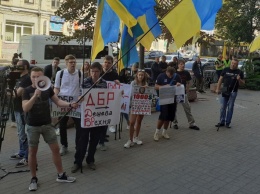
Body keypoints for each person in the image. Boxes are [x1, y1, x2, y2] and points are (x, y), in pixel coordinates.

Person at [22, 67, 76, 191]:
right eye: (33, 76)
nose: (36, 79)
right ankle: (33, 178)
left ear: (43, 77)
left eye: (38, 76)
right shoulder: (27, 90)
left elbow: (57, 101)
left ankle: (61, 175)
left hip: (47, 124)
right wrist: (35, 96)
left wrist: (70, 104)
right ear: (30, 77)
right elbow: (25, 108)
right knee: (32, 152)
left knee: (56, 149)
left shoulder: (47, 88)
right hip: (32, 126)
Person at [71, 62, 107, 173]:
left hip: (97, 116)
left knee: (94, 140)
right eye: (92, 71)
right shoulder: (84, 82)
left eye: (96, 71)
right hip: (85, 115)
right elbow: (78, 95)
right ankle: (78, 162)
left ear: (100, 71)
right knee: (83, 140)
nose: (94, 73)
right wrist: (80, 98)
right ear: (89, 72)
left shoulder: (104, 83)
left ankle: (90, 160)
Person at [54, 55, 82, 156]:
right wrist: (55, 97)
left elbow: (81, 88)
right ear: (66, 63)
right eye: (71, 62)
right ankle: (64, 145)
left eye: (74, 62)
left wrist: (80, 96)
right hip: (63, 103)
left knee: (79, 125)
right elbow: (56, 87)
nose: (73, 64)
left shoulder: (79, 73)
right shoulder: (60, 73)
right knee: (62, 125)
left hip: (76, 104)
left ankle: (78, 145)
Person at [10, 60, 32, 168]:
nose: (16, 67)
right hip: (17, 108)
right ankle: (22, 152)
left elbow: (16, 94)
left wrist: (8, 91)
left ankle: (26, 157)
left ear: (25, 66)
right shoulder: (19, 78)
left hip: (22, 109)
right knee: (20, 132)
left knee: (23, 133)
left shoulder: (26, 79)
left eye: (19, 66)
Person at [153, 66, 181, 141]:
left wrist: (178, 84)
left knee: (169, 116)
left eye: (172, 75)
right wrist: (164, 86)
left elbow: (180, 86)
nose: (171, 76)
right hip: (164, 98)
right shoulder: (161, 76)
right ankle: (157, 132)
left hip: (173, 99)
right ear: (166, 72)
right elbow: (156, 87)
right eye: (169, 75)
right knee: (163, 115)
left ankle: (164, 131)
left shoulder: (177, 76)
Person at [215, 58, 245, 128]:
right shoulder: (225, 69)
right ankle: (222, 121)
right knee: (223, 107)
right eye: (232, 63)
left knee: (230, 107)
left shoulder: (239, 72)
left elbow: (243, 83)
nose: (233, 65)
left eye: (235, 64)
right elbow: (220, 79)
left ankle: (228, 123)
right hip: (225, 90)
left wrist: (239, 79)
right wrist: (217, 88)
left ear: (237, 65)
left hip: (233, 91)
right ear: (231, 63)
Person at [172, 59, 200, 130]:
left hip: (183, 93)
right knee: (173, 109)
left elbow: (189, 82)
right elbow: (170, 82)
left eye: (183, 64)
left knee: (187, 108)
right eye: (181, 64)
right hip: (175, 93)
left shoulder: (186, 73)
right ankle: (174, 123)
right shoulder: (174, 73)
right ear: (178, 65)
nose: (182, 65)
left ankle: (192, 123)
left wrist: (187, 88)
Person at [99, 55, 119, 151]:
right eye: (105, 62)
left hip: (108, 102)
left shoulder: (115, 75)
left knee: (105, 121)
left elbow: (119, 87)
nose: (106, 64)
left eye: (109, 63)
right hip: (98, 101)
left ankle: (102, 140)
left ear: (112, 64)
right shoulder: (98, 72)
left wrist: (118, 83)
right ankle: (98, 138)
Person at [124, 69, 148, 148]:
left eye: (142, 75)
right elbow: (130, 93)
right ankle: (130, 139)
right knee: (132, 122)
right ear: (137, 75)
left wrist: (146, 88)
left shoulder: (146, 83)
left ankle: (136, 137)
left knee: (139, 121)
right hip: (134, 104)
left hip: (142, 104)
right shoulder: (133, 83)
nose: (140, 76)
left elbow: (148, 94)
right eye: (139, 75)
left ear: (144, 76)